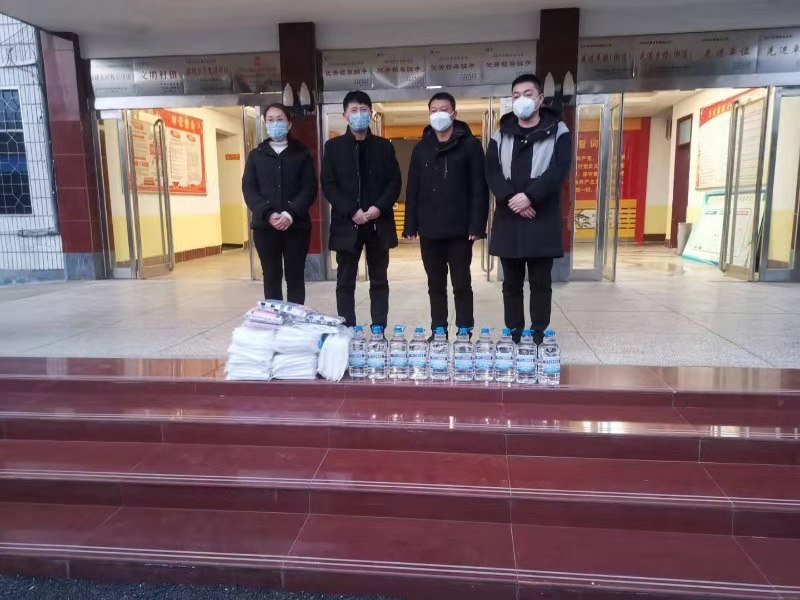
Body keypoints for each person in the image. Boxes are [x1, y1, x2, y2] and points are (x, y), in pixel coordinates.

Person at [485, 74, 572, 344]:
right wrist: (513, 199)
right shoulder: (500, 134)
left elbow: (559, 170)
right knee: (510, 284)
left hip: (541, 217)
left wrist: (530, 197)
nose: (521, 100)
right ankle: (513, 333)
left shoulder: (558, 130)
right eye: (516, 96)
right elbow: (492, 172)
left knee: (540, 283)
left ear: (540, 98)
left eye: (527, 94)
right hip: (509, 217)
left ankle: (538, 334)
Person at [404, 92, 489, 336]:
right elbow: (413, 188)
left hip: (460, 230)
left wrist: (477, 225)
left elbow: (479, 188)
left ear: (454, 113)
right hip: (429, 229)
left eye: (443, 109)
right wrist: (410, 225)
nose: (438, 114)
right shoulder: (421, 148)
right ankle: (439, 329)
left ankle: (464, 329)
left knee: (461, 283)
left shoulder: (470, 146)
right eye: (433, 110)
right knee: (435, 284)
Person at [322, 90, 401, 329]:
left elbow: (394, 182)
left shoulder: (384, 146)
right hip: (348, 224)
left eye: (363, 110)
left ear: (371, 113)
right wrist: (351, 210)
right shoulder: (333, 147)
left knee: (379, 281)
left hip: (378, 224)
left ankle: (378, 330)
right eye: (354, 110)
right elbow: (329, 184)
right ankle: (348, 330)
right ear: (345, 115)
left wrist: (379, 207)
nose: (359, 114)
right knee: (345, 282)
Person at [242, 103, 317, 303]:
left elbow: (309, 188)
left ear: (289, 123)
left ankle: (294, 319)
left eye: (280, 119)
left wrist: (290, 214)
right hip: (265, 228)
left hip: (296, 227)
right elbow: (249, 189)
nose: (275, 123)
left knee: (295, 277)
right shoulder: (256, 155)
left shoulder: (301, 153)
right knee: (271, 277)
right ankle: (274, 318)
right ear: (265, 124)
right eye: (270, 120)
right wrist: (268, 213)